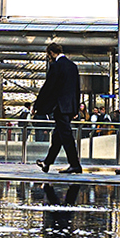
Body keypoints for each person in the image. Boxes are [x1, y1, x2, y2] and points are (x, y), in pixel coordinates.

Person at [33, 38, 84, 174]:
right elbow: (77, 89)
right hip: (69, 107)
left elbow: (49, 87)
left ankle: (75, 164)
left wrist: (38, 104)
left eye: (48, 56)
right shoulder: (72, 66)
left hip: (60, 107)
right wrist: (76, 107)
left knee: (66, 136)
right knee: (58, 136)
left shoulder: (56, 66)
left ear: (51, 53)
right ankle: (47, 162)